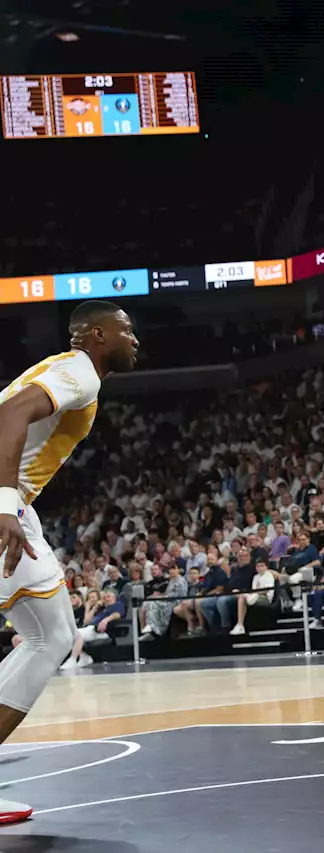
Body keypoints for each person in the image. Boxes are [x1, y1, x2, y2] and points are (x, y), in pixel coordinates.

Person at [0, 300, 138, 824]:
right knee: (51, 638)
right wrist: (5, 505)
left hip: (15, 503)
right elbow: (8, 415)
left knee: (48, 636)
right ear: (97, 335)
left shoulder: (61, 368)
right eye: (128, 331)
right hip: (5, 504)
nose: (135, 341)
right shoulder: (81, 374)